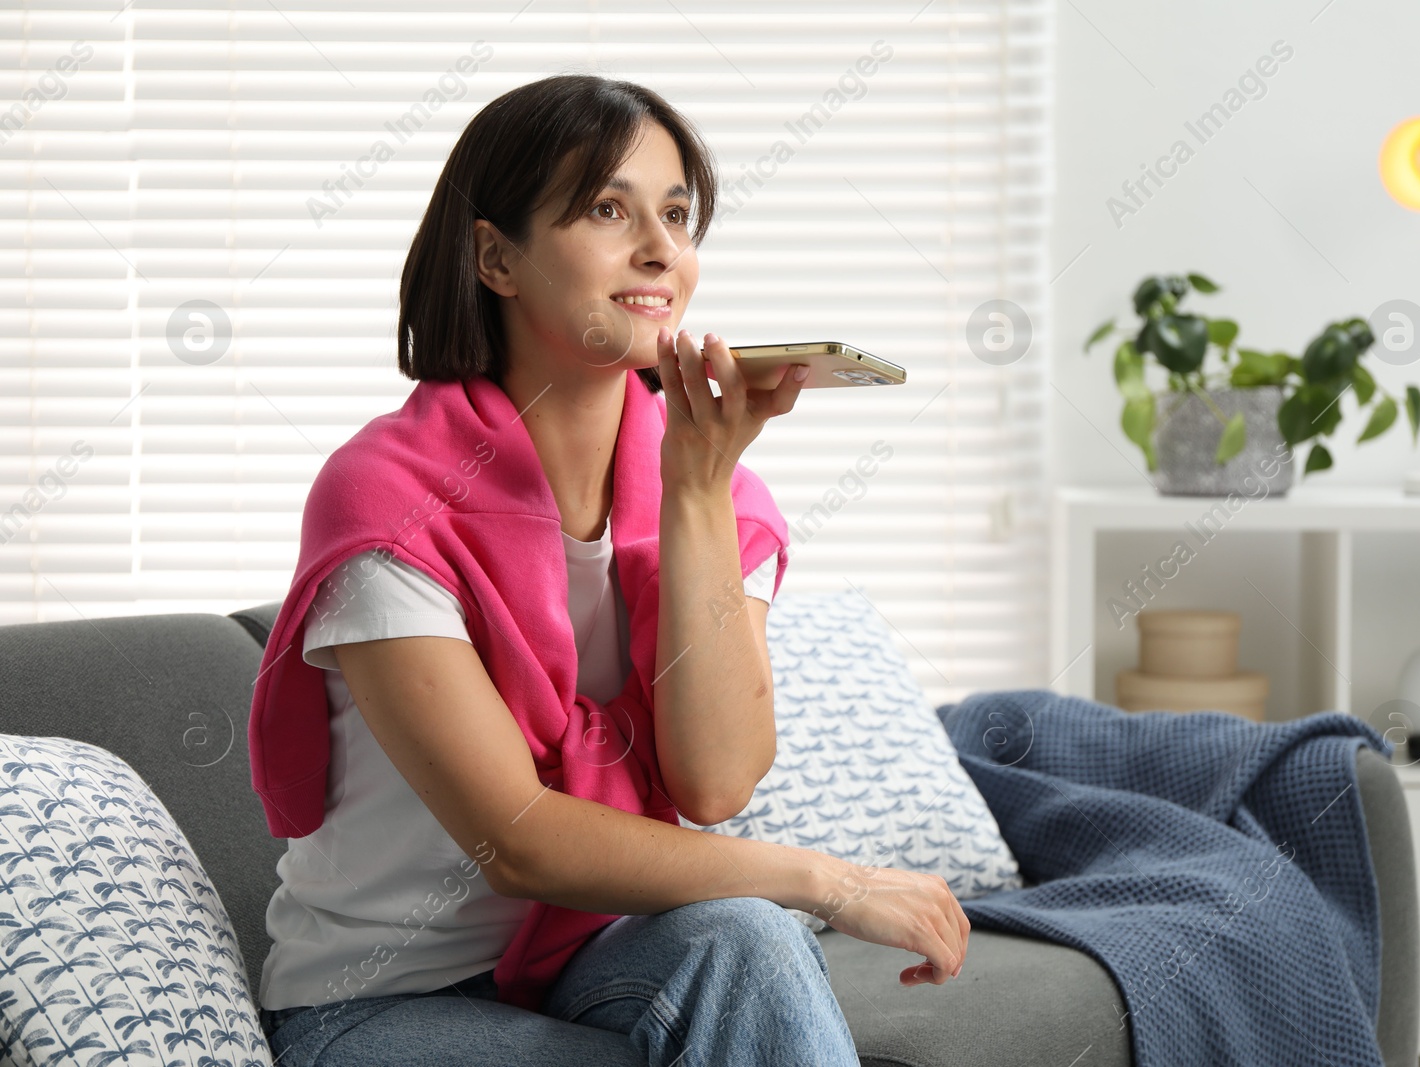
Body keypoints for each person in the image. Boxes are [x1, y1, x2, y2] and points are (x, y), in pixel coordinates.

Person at [254, 73, 969, 1067]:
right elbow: (520, 838)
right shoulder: (384, 496)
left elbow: (713, 780)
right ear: (497, 256)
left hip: (597, 948)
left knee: (746, 937)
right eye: (606, 209)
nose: (658, 250)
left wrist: (694, 494)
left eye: (675, 215)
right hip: (380, 998)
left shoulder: (717, 490)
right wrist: (831, 879)